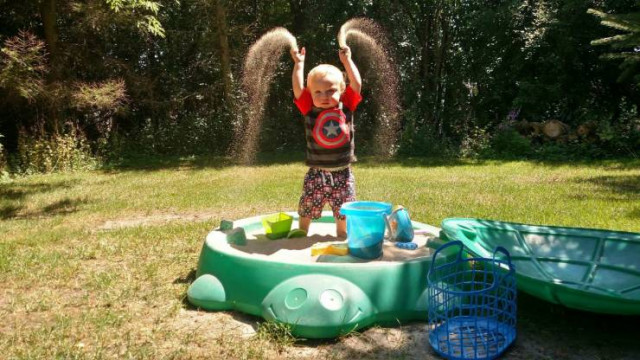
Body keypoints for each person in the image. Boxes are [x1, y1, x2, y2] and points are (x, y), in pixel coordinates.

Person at [289, 45, 362, 237]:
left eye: (330, 91)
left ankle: (341, 233)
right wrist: (299, 64)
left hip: (342, 173)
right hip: (317, 172)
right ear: (310, 93)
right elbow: (297, 88)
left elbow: (357, 84)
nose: (324, 96)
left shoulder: (345, 106)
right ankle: (302, 231)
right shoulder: (309, 108)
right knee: (307, 204)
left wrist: (347, 61)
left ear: (342, 90)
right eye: (318, 92)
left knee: (344, 209)